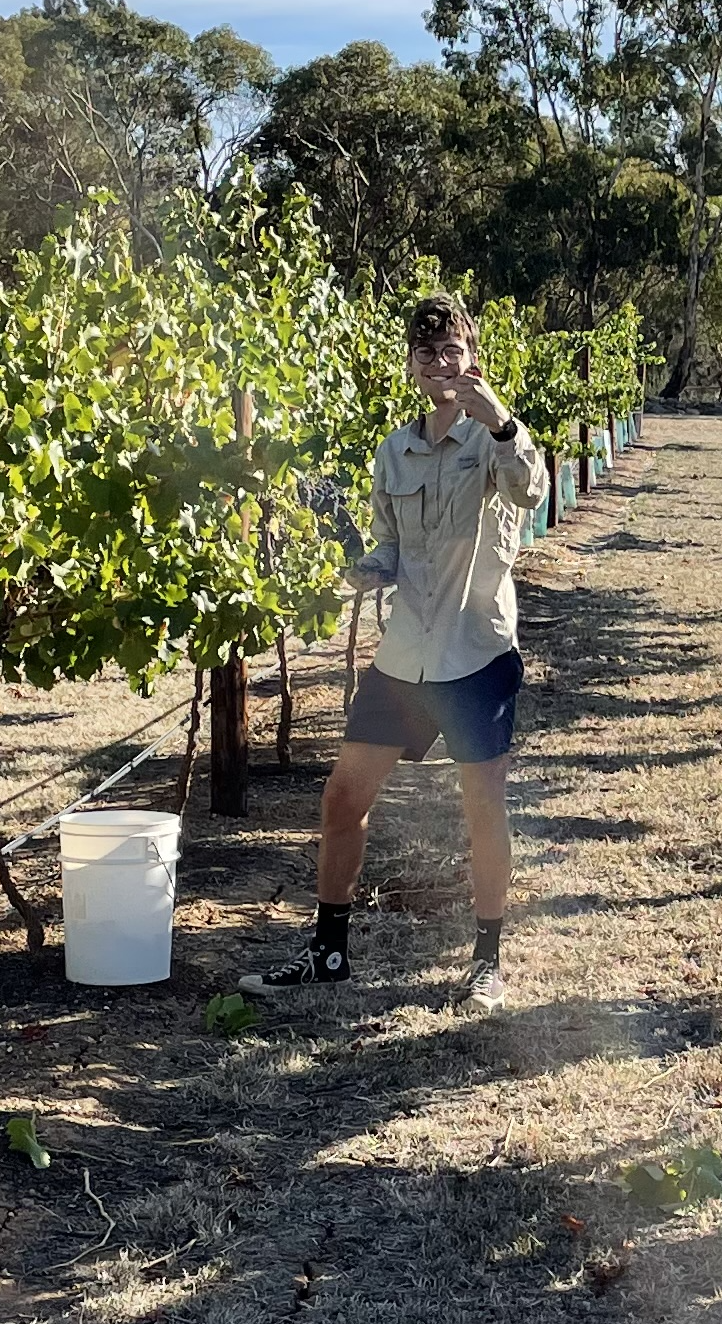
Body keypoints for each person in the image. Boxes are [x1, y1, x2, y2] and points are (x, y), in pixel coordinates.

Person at [239, 294, 548, 1013]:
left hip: (475, 653)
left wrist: (499, 419)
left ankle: (487, 961)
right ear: (410, 367)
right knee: (343, 799)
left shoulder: (495, 438)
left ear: (472, 358)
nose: (440, 364)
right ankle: (329, 950)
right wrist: (371, 567)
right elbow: (387, 540)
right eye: (426, 354)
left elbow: (531, 491)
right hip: (405, 655)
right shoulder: (392, 451)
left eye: (452, 351)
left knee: (482, 807)